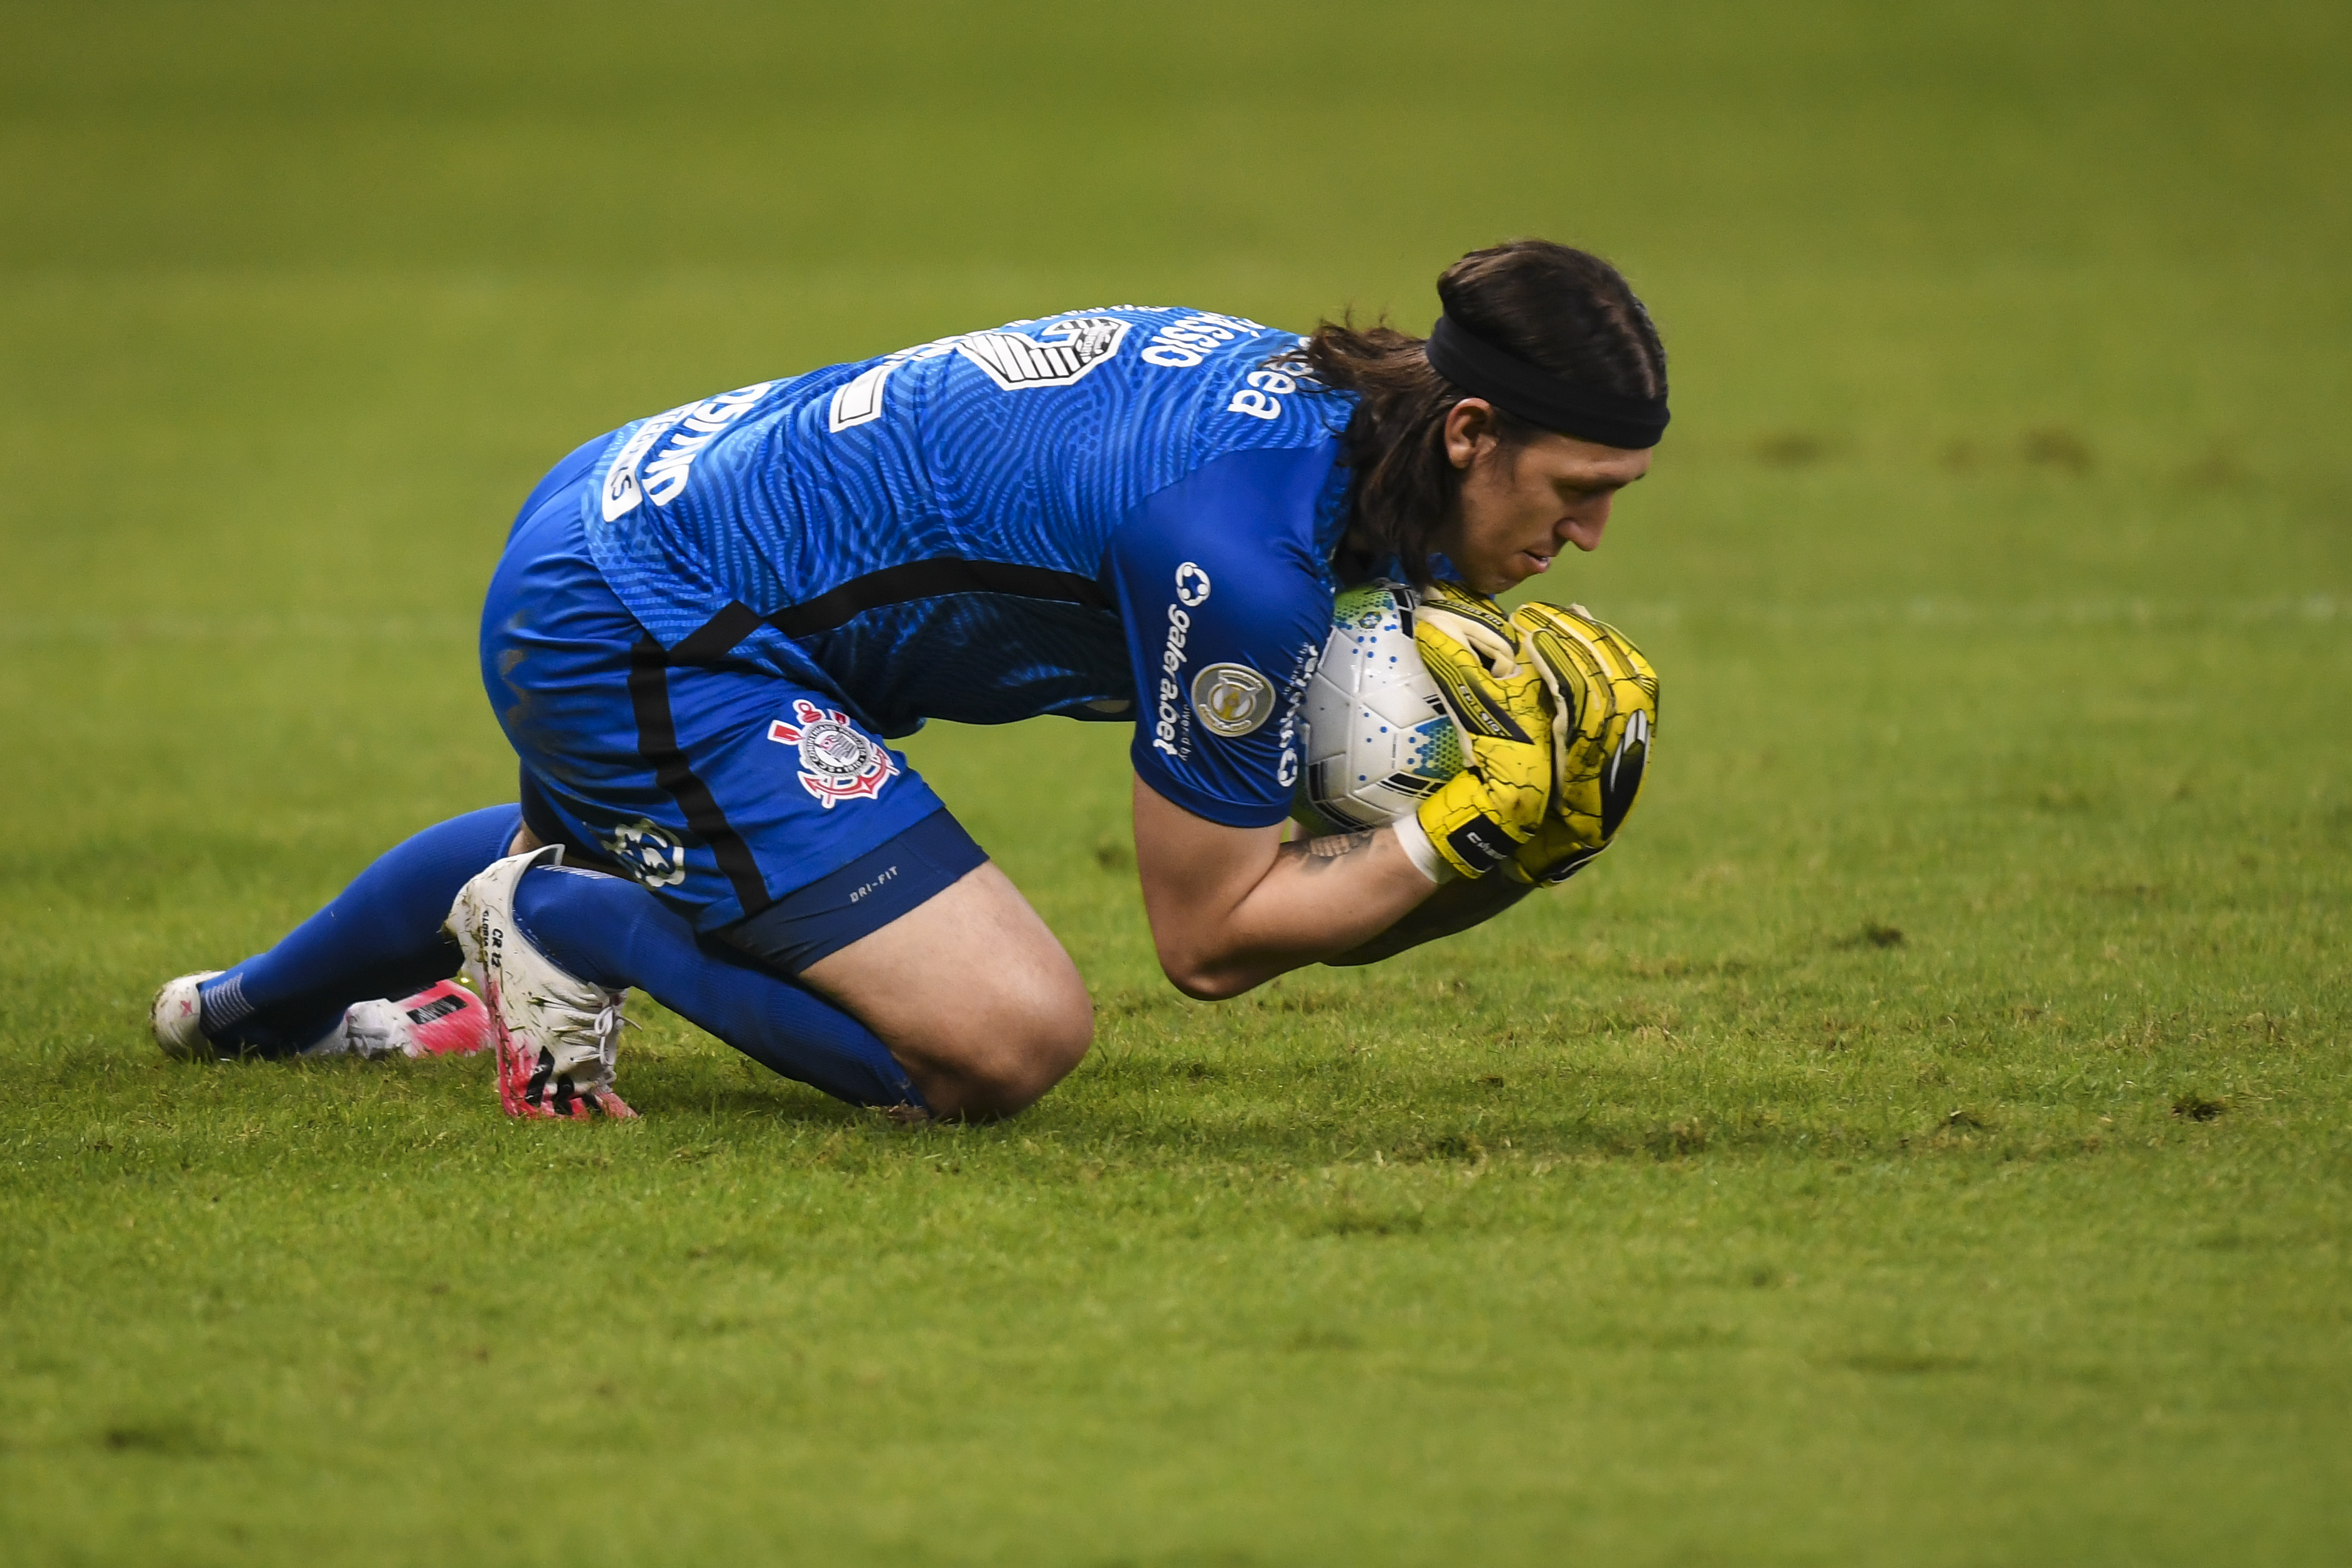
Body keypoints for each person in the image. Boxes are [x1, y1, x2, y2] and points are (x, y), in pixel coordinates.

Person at [150, 239, 1669, 1122]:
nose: (1587, 534)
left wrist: (1516, 841)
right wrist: (1464, 837)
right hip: (647, 616)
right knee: (1006, 1040)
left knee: (656, 816)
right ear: (1468, 429)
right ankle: (558, 919)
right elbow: (1210, 940)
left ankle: (239, 1015)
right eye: (1580, 485)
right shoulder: (1251, 553)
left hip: (635, 495)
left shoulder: (1342, 426)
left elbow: (1338, 870)